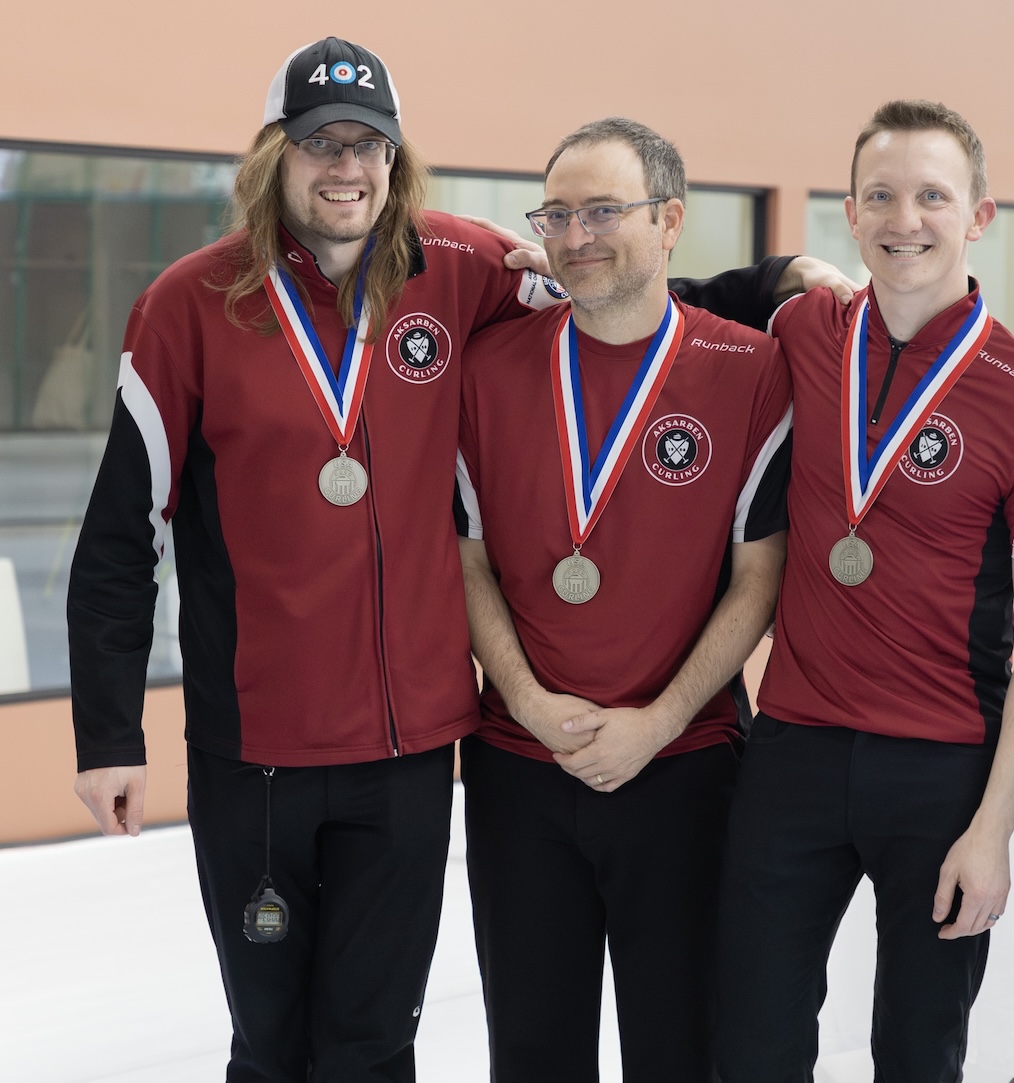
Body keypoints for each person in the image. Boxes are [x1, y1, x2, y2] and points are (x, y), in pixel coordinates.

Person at [64, 39, 818, 1081]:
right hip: (256, 753)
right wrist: (107, 732)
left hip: (409, 752)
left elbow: (616, 296)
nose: (348, 167)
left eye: (370, 144)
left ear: (396, 160)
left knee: (376, 1043)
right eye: (322, 142)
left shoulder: (457, 270)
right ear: (275, 157)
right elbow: (117, 538)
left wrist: (767, 283)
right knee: (271, 1043)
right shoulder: (190, 306)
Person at [713, 100, 1014, 1082]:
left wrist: (995, 828)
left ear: (980, 215)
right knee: (750, 1037)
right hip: (791, 750)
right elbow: (672, 308)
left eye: (932, 196)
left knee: (919, 1050)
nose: (905, 219)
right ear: (849, 212)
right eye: (880, 195)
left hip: (941, 772)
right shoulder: (803, 331)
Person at [453, 117, 791, 1083]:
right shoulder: (490, 366)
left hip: (684, 767)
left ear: (670, 219)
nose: (574, 236)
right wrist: (522, 697)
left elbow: (758, 576)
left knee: (681, 1050)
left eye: (603, 210)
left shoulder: (750, 370)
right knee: (530, 1052)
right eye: (555, 214)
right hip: (521, 764)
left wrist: (659, 720)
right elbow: (467, 557)